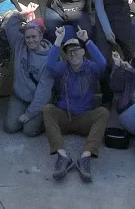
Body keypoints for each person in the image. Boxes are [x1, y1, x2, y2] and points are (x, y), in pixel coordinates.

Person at [42, 26, 109, 183]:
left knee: (103, 112)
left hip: (85, 117)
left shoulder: (91, 68)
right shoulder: (63, 68)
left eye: (76, 50)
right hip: (65, 117)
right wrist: (58, 40)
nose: (73, 54)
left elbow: (103, 63)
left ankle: (85, 157)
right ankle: (63, 156)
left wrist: (87, 41)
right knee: (47, 109)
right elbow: (50, 65)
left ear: (83, 52)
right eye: (69, 52)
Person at [93, 0, 135, 103]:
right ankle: (107, 94)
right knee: (102, 59)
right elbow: (98, 5)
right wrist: (106, 30)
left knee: (132, 55)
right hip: (104, 16)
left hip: (123, 16)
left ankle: (130, 90)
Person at [3, 12, 54, 137]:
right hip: (19, 96)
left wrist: (28, 114)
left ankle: (47, 118)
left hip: (38, 100)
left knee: (29, 130)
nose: (30, 40)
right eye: (27, 37)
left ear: (41, 36)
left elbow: (43, 93)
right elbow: (9, 26)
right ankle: (20, 111)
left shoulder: (50, 59)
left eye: (34, 37)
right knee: (10, 127)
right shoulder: (19, 45)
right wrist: (22, 14)